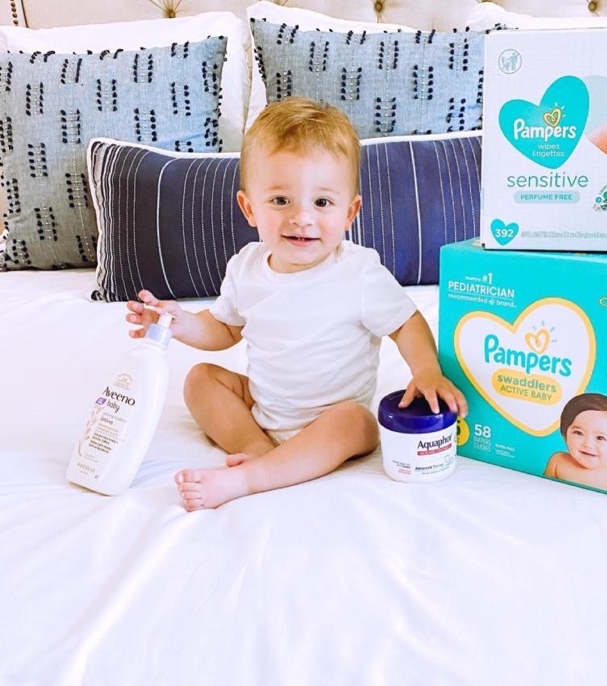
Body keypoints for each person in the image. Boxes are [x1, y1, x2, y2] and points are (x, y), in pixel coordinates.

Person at [126, 96, 467, 510]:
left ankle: (252, 477)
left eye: (322, 203)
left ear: (350, 212)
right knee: (200, 380)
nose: (302, 217)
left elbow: (405, 322)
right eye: (280, 200)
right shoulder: (246, 267)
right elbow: (225, 329)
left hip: (333, 418)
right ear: (249, 208)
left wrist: (426, 370)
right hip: (266, 409)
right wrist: (179, 323)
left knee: (356, 422)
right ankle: (256, 448)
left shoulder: (357, 272)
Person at [544, 392, 607, 497]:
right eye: (579, 433)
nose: (588, 444)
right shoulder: (558, 461)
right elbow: (544, 491)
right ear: (565, 436)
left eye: (600, 438)